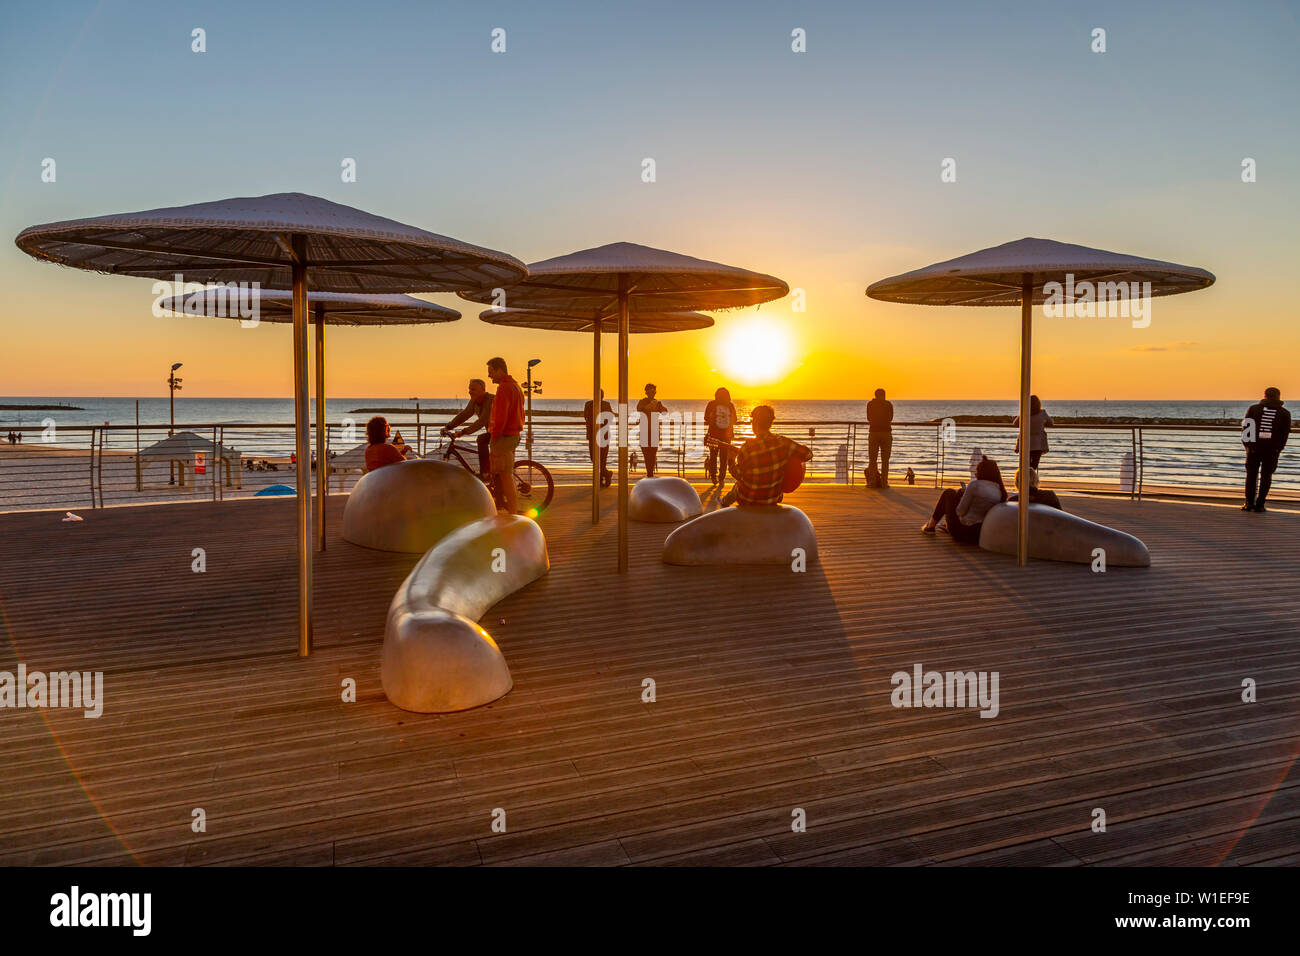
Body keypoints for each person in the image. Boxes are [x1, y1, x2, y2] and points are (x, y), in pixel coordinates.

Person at [726, 405, 813, 506]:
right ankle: (724, 501)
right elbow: (808, 455)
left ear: (755, 424)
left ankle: (723, 503)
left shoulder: (746, 448)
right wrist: (790, 457)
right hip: (773, 499)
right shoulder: (784, 443)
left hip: (748, 500)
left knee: (738, 485)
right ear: (770, 423)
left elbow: (737, 474)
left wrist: (731, 460)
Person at [921, 455, 1007, 544]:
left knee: (949, 493)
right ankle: (944, 526)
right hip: (980, 534)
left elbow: (959, 512)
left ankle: (930, 526)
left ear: (981, 472)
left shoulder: (975, 485)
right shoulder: (1000, 490)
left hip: (962, 533)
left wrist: (961, 498)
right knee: (959, 493)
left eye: (977, 471)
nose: (975, 474)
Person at [1242, 386, 1291, 512]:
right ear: (1278, 396)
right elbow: (1284, 434)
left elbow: (1247, 430)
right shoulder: (1284, 413)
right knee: (1266, 476)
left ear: (1264, 395)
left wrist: (1248, 446)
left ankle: (1249, 503)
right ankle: (1260, 504)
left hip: (1254, 449)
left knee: (1251, 476)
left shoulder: (1253, 409)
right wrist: (1278, 449)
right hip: (1272, 451)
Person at [487, 356, 524, 514]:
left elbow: (501, 415)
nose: (489, 376)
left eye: (491, 372)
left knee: (506, 476)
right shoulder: (516, 386)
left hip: (504, 436)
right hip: (513, 435)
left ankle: (512, 512)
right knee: (505, 474)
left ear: (499, 370)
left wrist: (494, 435)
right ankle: (510, 509)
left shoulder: (504, 387)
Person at [442, 378, 494, 475]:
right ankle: (487, 473)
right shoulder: (474, 401)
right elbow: (465, 414)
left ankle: (485, 473)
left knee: (481, 439)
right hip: (493, 432)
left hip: (503, 432)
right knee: (483, 442)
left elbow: (482, 421)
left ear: (483, 390)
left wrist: (464, 432)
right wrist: (448, 427)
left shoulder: (491, 400)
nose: (470, 392)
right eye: (469, 389)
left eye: (473, 389)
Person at [704, 387, 738, 486]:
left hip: (714, 435)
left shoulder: (711, 404)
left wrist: (713, 419)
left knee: (713, 456)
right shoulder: (730, 405)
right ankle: (721, 478)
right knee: (724, 457)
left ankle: (714, 476)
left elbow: (706, 417)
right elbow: (735, 419)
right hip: (726, 435)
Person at [1012, 395, 1053, 469]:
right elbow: (1051, 423)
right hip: (1038, 444)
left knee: (1025, 465)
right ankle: (1031, 479)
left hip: (1025, 442)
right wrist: (1043, 423)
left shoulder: (1024, 412)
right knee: (1034, 465)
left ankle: (1025, 479)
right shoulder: (1042, 413)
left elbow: (1015, 423)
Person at [583, 390, 614, 487]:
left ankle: (600, 479)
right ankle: (607, 474)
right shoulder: (588, 404)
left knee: (603, 459)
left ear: (602, 396)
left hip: (603, 435)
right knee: (594, 458)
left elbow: (610, 417)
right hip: (592, 435)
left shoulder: (606, 404)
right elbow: (586, 416)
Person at [636, 383, 668, 477]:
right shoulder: (642, 401)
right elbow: (639, 408)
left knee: (653, 453)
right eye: (650, 391)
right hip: (644, 431)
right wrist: (650, 405)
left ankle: (650, 473)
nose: (652, 393)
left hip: (654, 431)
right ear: (646, 392)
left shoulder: (657, 403)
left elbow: (665, 412)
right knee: (646, 453)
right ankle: (649, 473)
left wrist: (660, 407)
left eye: (654, 391)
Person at [866, 388, 894, 487]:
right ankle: (884, 482)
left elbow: (868, 418)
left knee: (872, 459)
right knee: (885, 459)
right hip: (886, 433)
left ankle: (873, 482)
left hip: (873, 432)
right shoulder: (888, 404)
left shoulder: (870, 404)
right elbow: (891, 418)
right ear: (884, 395)